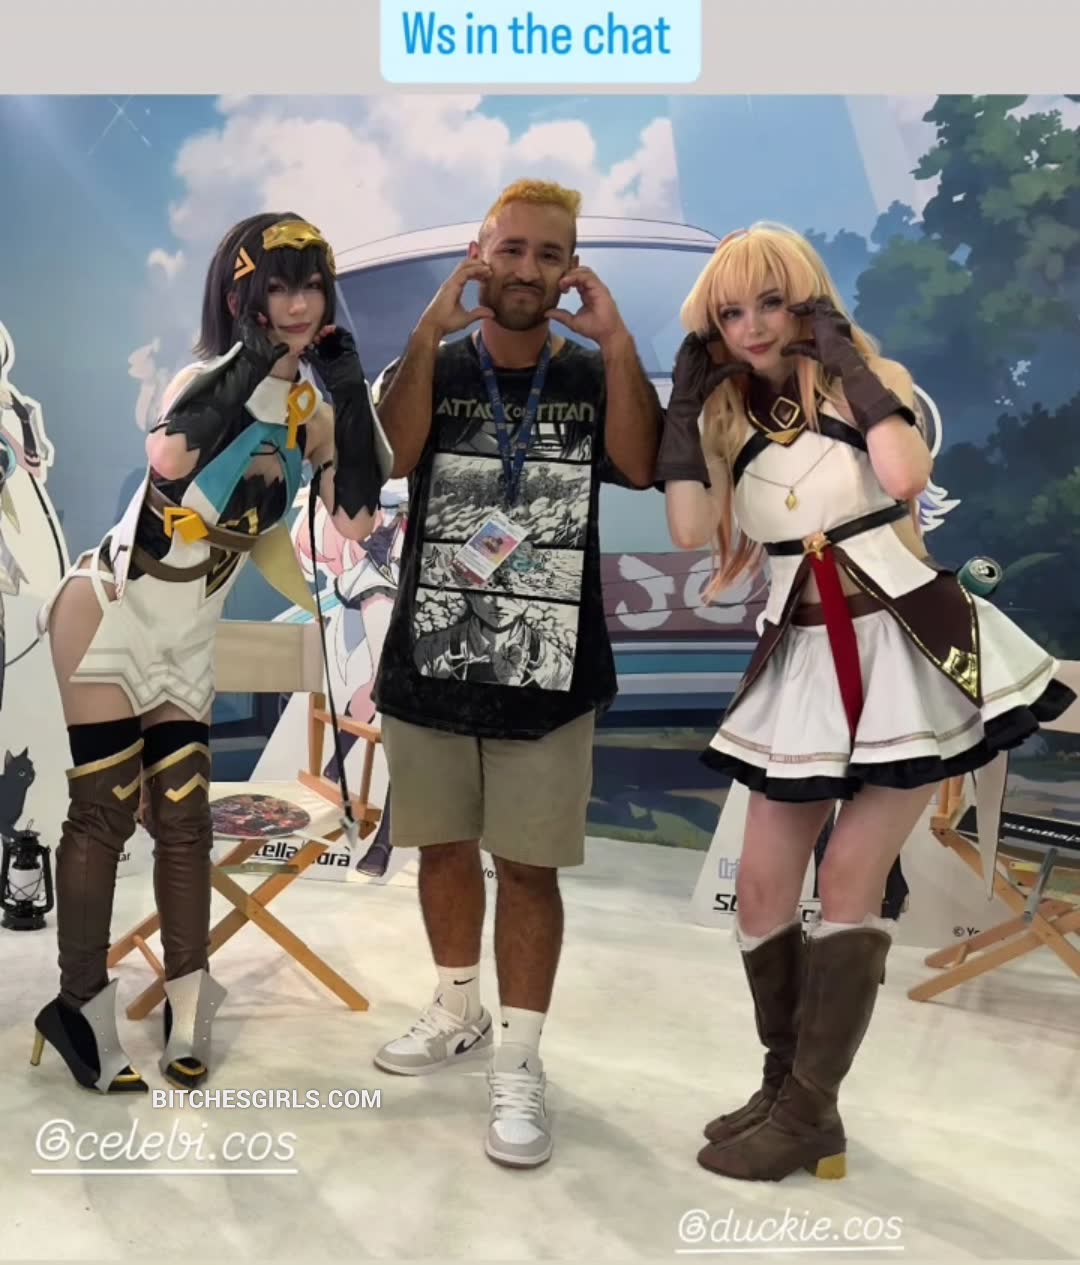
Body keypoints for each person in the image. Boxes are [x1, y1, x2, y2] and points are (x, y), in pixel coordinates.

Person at [656, 222, 1075, 1182]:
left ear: (807, 300)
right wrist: (683, 406)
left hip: (910, 647)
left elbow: (905, 477)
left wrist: (843, 362)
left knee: (849, 875)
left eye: (772, 302)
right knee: (762, 889)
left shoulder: (869, 385)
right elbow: (687, 527)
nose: (754, 326)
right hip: (801, 658)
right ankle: (784, 1086)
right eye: (731, 312)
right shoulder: (727, 418)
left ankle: (810, 1110)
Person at [31, 212, 390, 1094]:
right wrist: (254, 359)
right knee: (105, 811)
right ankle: (78, 1004)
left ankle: (190, 995)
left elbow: (356, 521)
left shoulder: (311, 412)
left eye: (312, 286)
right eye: (279, 287)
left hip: (186, 630)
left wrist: (348, 393)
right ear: (243, 297)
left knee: (185, 818)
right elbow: (168, 456)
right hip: (111, 609)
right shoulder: (204, 377)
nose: (299, 304)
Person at [369, 178, 662, 1167]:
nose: (528, 268)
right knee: (444, 849)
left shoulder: (590, 372)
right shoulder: (435, 361)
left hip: (552, 671)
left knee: (529, 869)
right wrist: (426, 330)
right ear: (479, 253)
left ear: (571, 268)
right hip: (432, 657)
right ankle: (459, 1010)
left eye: (549, 253)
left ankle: (520, 1057)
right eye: (512, 248)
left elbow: (639, 463)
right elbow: (394, 455)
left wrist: (618, 341)